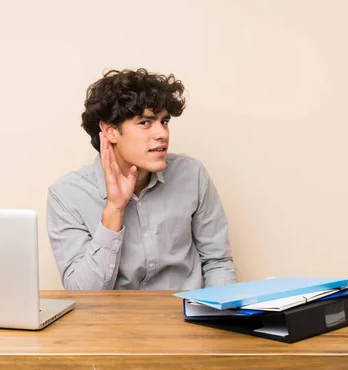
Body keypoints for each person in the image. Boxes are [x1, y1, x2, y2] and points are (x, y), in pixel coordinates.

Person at [46, 68, 237, 290]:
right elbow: (83, 294)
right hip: (110, 323)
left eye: (164, 121)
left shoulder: (192, 175)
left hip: (183, 317)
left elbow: (218, 263)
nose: (162, 134)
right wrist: (114, 210)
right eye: (145, 123)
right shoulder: (67, 195)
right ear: (110, 131)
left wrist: (219, 315)